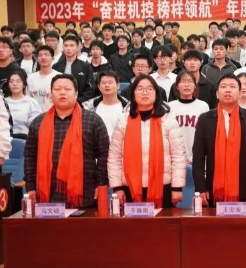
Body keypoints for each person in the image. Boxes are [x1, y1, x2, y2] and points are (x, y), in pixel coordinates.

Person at [24, 74, 110, 208]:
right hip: (48, 196)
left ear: (76, 93)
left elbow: (104, 155)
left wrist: (102, 184)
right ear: (51, 94)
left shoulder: (93, 120)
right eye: (57, 89)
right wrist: (30, 187)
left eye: (67, 89)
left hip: (85, 194)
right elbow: (30, 156)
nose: (62, 93)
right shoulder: (38, 122)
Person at [108, 75, 185, 208]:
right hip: (129, 187)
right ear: (133, 94)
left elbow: (178, 155)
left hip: (163, 187)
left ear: (156, 93)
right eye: (140, 89)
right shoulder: (123, 121)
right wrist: (117, 187)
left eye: (149, 89)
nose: (145, 92)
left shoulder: (168, 120)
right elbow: (114, 156)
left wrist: (177, 187)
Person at [192, 73, 246, 207]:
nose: (228, 90)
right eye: (223, 87)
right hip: (212, 190)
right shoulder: (205, 120)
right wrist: (200, 188)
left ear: (240, 93)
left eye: (232, 87)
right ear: (217, 94)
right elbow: (198, 157)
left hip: (244, 190)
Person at [168, 71, 210, 164]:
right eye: (183, 81)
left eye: (190, 81)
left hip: (197, 159)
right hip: (174, 160)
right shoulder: (169, 107)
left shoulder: (203, 106)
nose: (186, 85)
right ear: (177, 86)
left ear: (195, 85)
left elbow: (206, 135)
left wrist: (193, 158)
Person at [82, 70, 128, 138]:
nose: (107, 85)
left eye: (110, 82)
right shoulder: (89, 107)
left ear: (118, 85)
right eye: (103, 83)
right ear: (99, 86)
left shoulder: (128, 107)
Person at [52, 35, 95, 103]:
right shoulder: (56, 66)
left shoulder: (85, 66)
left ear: (77, 48)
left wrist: (78, 100)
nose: (68, 48)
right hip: (59, 101)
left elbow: (90, 88)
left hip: (79, 103)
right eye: (66, 46)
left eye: (71, 46)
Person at [5, 71, 42, 139]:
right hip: (5, 140)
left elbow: (36, 126)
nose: (14, 84)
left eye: (18, 81)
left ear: (24, 84)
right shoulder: (3, 102)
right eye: (11, 81)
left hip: (25, 140)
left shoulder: (32, 102)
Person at [27, 46, 60, 112]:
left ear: (53, 58)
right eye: (40, 55)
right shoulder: (31, 78)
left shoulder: (59, 77)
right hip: (34, 115)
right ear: (37, 59)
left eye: (46, 55)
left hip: (53, 114)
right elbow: (28, 98)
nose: (43, 57)